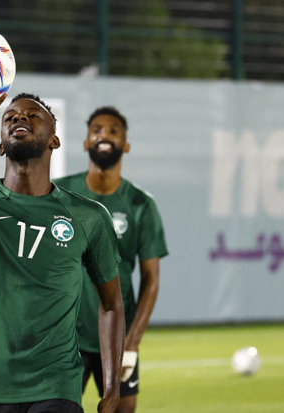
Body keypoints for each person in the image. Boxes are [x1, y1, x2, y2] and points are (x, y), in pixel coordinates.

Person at [0, 90, 126, 413]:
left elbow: (111, 305)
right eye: (10, 117)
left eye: (33, 115)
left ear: (53, 141)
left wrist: (112, 389)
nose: (20, 118)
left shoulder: (88, 216)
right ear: (0, 144)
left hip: (55, 386)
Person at [54, 106, 168, 413]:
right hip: (65, 338)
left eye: (114, 131)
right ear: (85, 142)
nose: (104, 135)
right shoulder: (59, 193)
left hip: (117, 337)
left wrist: (132, 342)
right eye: (97, 130)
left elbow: (151, 279)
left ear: (126, 145)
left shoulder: (141, 204)